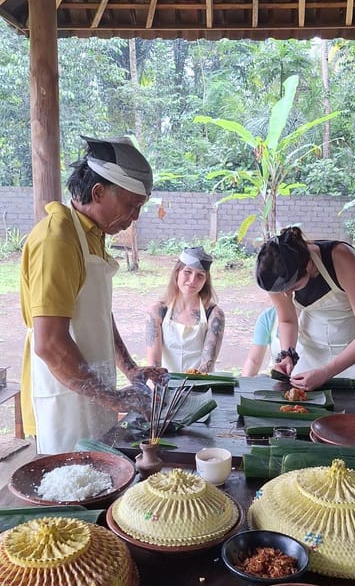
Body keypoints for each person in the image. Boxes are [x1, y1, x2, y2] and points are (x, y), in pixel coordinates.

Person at [20, 135, 167, 454]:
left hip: (93, 389)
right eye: (131, 206)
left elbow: (98, 312)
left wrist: (129, 368)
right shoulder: (57, 239)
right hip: (65, 399)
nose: (135, 218)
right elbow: (50, 343)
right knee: (75, 489)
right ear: (98, 192)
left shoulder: (93, 235)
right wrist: (114, 398)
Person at [254, 226, 355, 390]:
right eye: (281, 291)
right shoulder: (274, 274)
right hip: (313, 348)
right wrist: (287, 354)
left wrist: (326, 372)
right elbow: (287, 320)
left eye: (293, 286)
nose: (286, 294)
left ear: (309, 265)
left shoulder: (341, 258)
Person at [145, 246, 225, 373]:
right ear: (177, 272)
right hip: (165, 384)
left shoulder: (214, 314)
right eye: (187, 272)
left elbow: (207, 364)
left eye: (200, 275)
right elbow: (154, 363)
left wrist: (192, 385)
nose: (192, 280)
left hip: (201, 384)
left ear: (206, 280)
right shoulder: (157, 311)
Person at [241, 306, 281, 376]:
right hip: (279, 380)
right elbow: (254, 360)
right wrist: (245, 382)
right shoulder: (269, 316)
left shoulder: (306, 316)